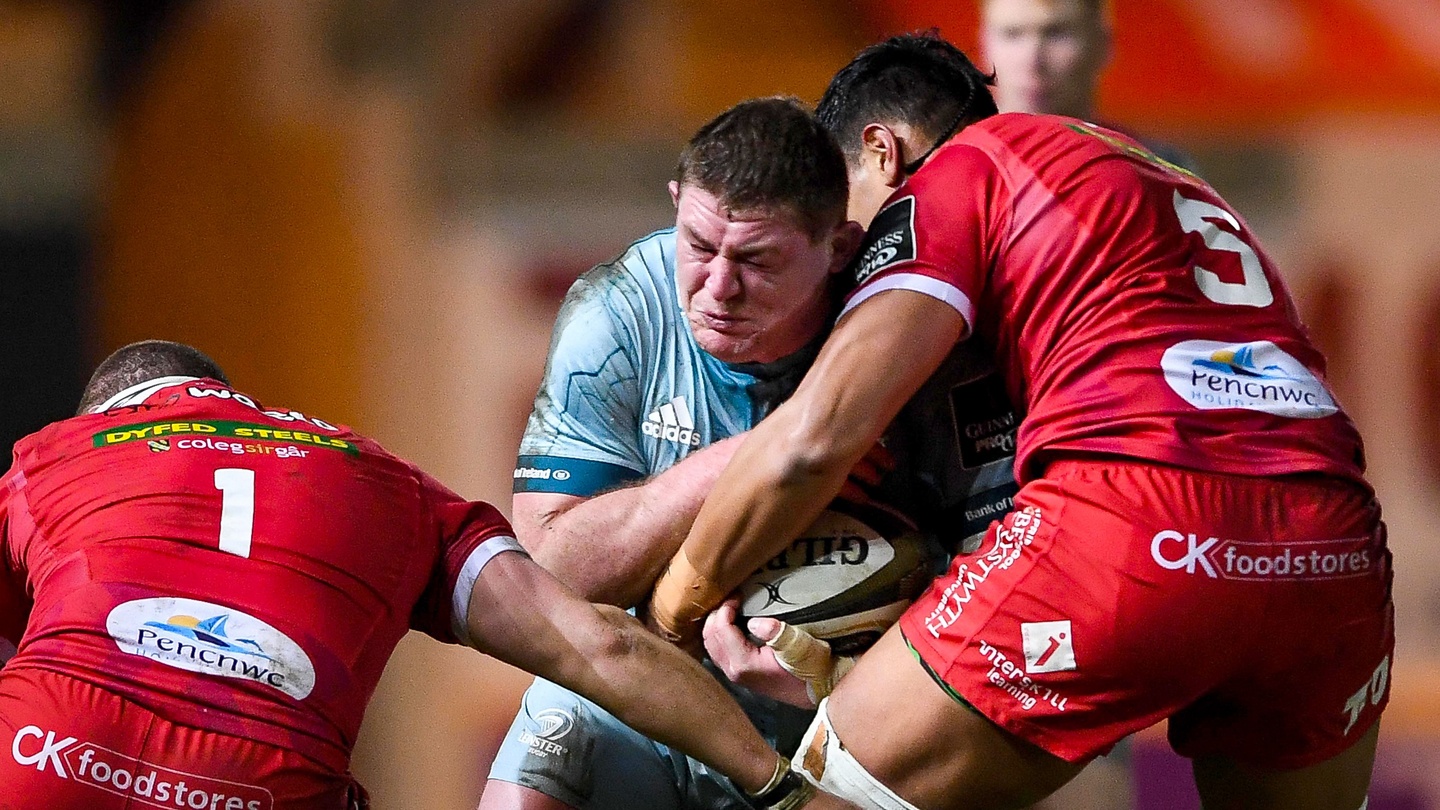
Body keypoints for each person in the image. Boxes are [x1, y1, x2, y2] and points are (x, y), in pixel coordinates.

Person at [650, 33, 1392, 810]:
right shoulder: (1155, 176)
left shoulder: (955, 175)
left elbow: (812, 444)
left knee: (823, 795)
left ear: (880, 154)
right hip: (1335, 551)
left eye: (845, 214)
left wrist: (674, 612)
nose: (845, 250)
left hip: (1139, 519)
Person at [0, 340, 812, 810]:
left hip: (47, 749)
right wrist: (778, 784)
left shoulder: (48, 459)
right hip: (263, 778)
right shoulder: (388, 482)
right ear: (228, 399)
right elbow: (603, 650)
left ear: (104, 416)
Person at [479, 96, 878, 810]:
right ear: (675, 205)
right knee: (546, 738)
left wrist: (828, 677)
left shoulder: (892, 327)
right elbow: (546, 575)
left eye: (757, 259)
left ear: (838, 248)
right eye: (697, 246)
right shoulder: (619, 311)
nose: (718, 287)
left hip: (849, 706)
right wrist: (746, 462)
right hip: (650, 681)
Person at [980, 0, 1196, 171]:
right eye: (1012, 34)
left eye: (1056, 33)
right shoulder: (954, 162)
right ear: (983, 42)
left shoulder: (1158, 171)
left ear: (1103, 43)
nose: (1032, 60)